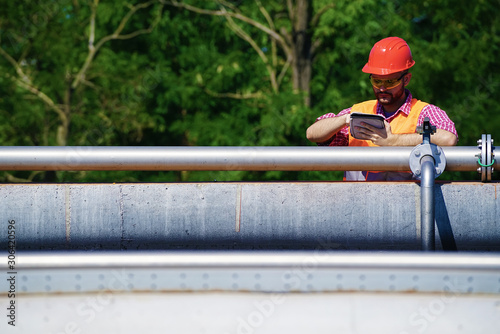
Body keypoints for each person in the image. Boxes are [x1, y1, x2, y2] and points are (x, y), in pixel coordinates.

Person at [306, 36, 458, 181]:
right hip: (356, 206)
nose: (382, 88)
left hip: (408, 206)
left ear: (406, 79)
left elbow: (449, 139)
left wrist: (394, 141)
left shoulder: (423, 112)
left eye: (390, 81)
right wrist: (345, 119)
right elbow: (312, 133)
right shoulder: (359, 111)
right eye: (377, 81)